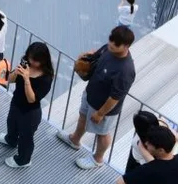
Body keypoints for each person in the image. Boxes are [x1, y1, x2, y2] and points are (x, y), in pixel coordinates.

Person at [58, 25, 137, 169]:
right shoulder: (108, 48)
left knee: (102, 134)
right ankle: (75, 140)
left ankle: (97, 159)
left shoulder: (126, 70)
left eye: (116, 43)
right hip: (90, 94)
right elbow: (94, 57)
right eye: (111, 40)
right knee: (82, 117)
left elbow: (115, 96)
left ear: (126, 46)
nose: (111, 44)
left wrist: (101, 113)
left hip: (103, 107)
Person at [111, 112, 178, 184]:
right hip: (138, 163)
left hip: (146, 168)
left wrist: (144, 151)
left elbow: (155, 165)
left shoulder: (144, 144)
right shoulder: (162, 128)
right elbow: (177, 138)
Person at [0, 41, 54, 168]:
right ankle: (11, 140)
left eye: (35, 60)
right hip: (16, 102)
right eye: (29, 58)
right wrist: (16, 72)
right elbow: (9, 80)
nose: (31, 62)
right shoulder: (26, 63)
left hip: (30, 112)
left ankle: (23, 160)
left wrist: (27, 79)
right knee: (11, 123)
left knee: (26, 137)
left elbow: (32, 99)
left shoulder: (45, 78)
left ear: (43, 60)